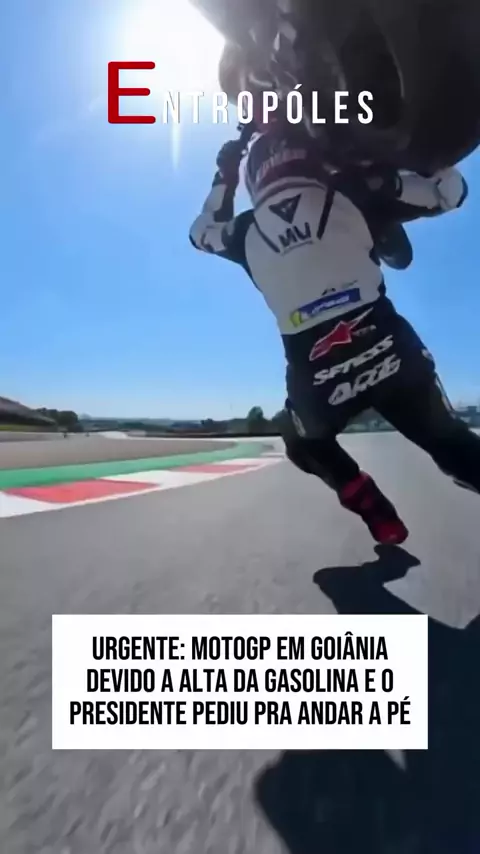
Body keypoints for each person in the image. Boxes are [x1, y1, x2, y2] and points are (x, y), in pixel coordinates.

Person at [189, 120, 480, 544]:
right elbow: (451, 194)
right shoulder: (355, 188)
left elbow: (199, 232)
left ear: (254, 177)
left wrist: (224, 175)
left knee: (301, 440)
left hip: (317, 376)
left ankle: (372, 508)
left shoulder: (242, 231)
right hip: (391, 351)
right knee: (450, 444)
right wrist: (409, 158)